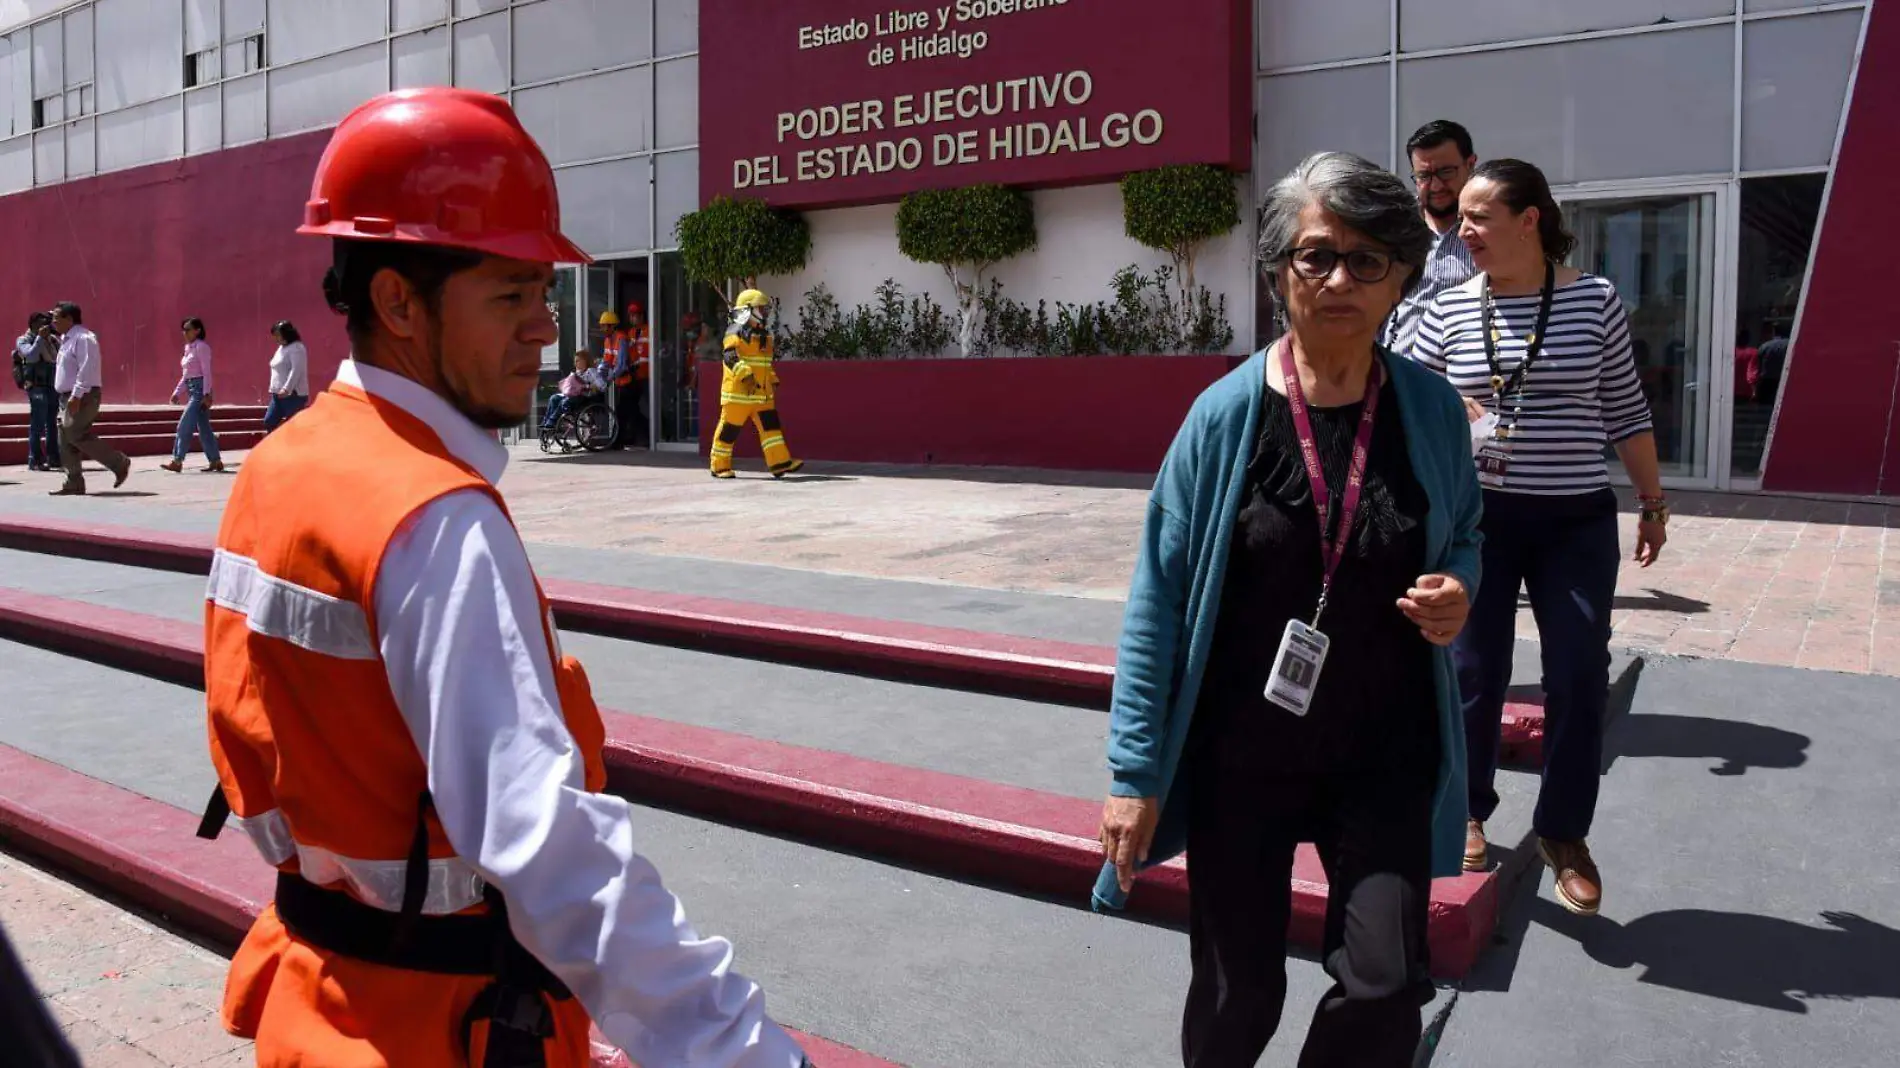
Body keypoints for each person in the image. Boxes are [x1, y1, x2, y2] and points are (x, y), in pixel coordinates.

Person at [195, 88, 812, 1068]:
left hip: (318, 1005)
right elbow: (551, 851)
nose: (544, 331)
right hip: (446, 1031)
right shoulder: (433, 520)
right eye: (509, 296)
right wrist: (741, 1052)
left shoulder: (283, 464)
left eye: (541, 294)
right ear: (398, 301)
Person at [1093, 151, 1482, 1068]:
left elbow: (1464, 533)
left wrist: (1458, 586)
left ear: (1400, 277)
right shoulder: (1222, 418)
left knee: (1384, 987)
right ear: (1279, 272)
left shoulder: (1429, 411)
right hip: (1244, 754)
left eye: (1366, 259)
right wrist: (1132, 773)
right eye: (1315, 256)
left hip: (1384, 747)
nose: (1339, 278)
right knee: (1239, 998)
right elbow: (1157, 601)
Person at [1412, 158, 1668, 917]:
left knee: (1580, 674)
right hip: (1479, 522)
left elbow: (1626, 407)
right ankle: (1468, 808)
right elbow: (1406, 400)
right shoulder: (1451, 307)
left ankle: (1564, 834)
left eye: (1480, 215)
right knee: (1473, 672)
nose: (1465, 230)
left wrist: (1652, 501)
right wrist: (1440, 412)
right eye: (1461, 216)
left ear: (1530, 219)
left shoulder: (1593, 301)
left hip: (1574, 522)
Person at [1381, 120, 1479, 358]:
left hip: (1461, 382)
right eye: (1424, 175)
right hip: (1396, 377)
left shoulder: (1490, 233)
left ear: (1470, 164)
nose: (1435, 186)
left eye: (1446, 172)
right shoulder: (1393, 231)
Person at [710, 289, 802, 480]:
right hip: (738, 396)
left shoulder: (764, 335)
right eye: (761, 308)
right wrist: (746, 376)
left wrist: (773, 379)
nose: (765, 312)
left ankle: (780, 463)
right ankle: (719, 467)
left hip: (762, 395)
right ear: (748, 310)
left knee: (772, 431)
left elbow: (764, 363)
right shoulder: (734, 331)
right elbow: (730, 356)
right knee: (728, 432)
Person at [48, 301, 131, 496]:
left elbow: (87, 368)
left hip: (83, 395)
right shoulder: (66, 338)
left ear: (69, 318)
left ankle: (118, 462)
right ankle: (73, 481)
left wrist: (77, 395)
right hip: (66, 396)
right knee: (64, 438)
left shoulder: (84, 338)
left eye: (56, 317)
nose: (53, 321)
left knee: (74, 433)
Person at [161, 317, 224, 473]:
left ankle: (177, 460)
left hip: (200, 391)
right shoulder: (188, 348)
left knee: (184, 425)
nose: (185, 332)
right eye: (184, 329)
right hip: (191, 389)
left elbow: (206, 372)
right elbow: (187, 375)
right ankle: (215, 460)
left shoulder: (202, 347)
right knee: (204, 428)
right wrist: (177, 392)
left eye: (188, 329)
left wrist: (207, 394)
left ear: (198, 330)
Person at [12, 311, 59, 471]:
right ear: (32, 324)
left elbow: (57, 358)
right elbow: (30, 356)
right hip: (35, 385)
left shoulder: (51, 340)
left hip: (51, 384)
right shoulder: (23, 340)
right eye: (40, 323)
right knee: (37, 423)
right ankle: (35, 458)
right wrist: (39, 338)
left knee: (52, 423)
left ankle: (54, 456)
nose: (43, 327)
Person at [541, 349, 608, 430]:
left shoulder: (591, 371)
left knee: (565, 402)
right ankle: (546, 422)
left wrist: (587, 386)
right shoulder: (578, 373)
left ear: (585, 361)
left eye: (577, 361)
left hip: (587, 397)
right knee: (554, 398)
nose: (575, 363)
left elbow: (603, 386)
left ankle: (552, 422)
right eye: (575, 361)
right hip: (576, 395)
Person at [263, 320, 310, 431]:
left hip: (293, 395)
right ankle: (278, 446)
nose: (275, 338)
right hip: (277, 394)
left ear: (286, 334)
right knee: (269, 421)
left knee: (294, 425)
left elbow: (296, 370)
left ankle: (297, 447)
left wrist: (287, 389)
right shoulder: (282, 348)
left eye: (278, 335)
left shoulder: (297, 348)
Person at [1756, 321, 1789, 404]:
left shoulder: (1765, 346)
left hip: (1767, 381)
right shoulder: (1789, 345)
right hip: (1783, 379)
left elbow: (1759, 366)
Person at [1732, 327, 1759, 403]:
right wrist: (1754, 391)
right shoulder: (1753, 352)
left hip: (1732, 389)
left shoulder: (1732, 352)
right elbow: (1751, 373)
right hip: (1746, 390)